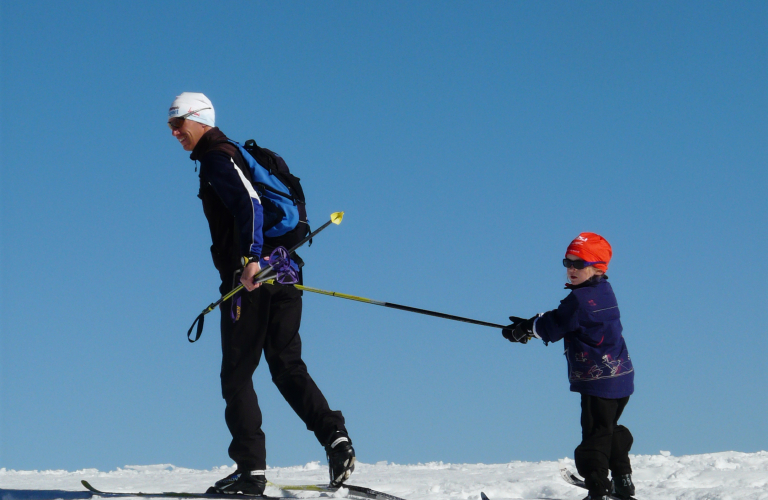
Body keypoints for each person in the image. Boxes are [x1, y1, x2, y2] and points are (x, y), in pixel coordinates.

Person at [168, 92, 355, 495]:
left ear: (200, 119)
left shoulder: (217, 156)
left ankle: (250, 473)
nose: (175, 132)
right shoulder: (232, 153)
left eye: (178, 123)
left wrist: (250, 258)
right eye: (171, 126)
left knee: (237, 374)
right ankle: (336, 438)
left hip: (250, 278)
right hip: (285, 271)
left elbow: (250, 205)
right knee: (287, 366)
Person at [502, 233, 635, 500]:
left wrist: (526, 329)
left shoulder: (580, 300)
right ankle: (623, 480)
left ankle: (597, 488)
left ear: (598, 266)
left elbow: (555, 325)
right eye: (567, 262)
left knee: (594, 433)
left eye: (578, 263)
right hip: (621, 378)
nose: (570, 269)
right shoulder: (603, 291)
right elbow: (562, 320)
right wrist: (533, 325)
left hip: (598, 381)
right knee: (608, 426)